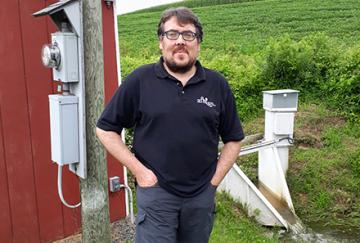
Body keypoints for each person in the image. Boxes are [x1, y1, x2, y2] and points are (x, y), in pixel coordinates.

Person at [96, 7, 244, 243]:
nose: (180, 42)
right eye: (172, 34)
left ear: (198, 43)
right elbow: (105, 129)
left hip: (200, 197)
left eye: (188, 35)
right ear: (161, 42)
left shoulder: (217, 85)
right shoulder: (140, 81)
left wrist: (214, 181)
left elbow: (234, 139)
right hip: (157, 194)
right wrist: (141, 173)